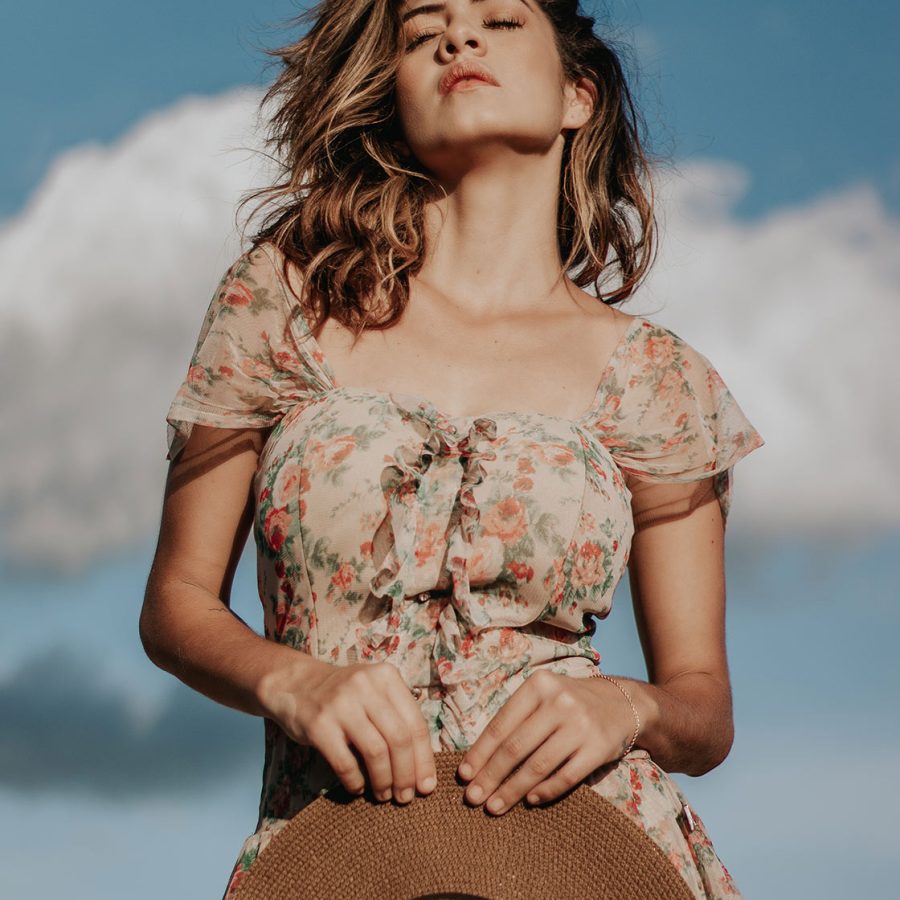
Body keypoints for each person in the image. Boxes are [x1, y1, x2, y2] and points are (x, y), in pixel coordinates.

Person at [140, 0, 764, 897]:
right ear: (394, 91)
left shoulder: (657, 377)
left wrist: (628, 705)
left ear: (578, 97)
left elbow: (704, 710)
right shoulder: (281, 300)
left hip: (593, 852)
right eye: (423, 27)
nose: (458, 38)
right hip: (337, 848)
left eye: (501, 21)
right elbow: (176, 605)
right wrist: (292, 681)